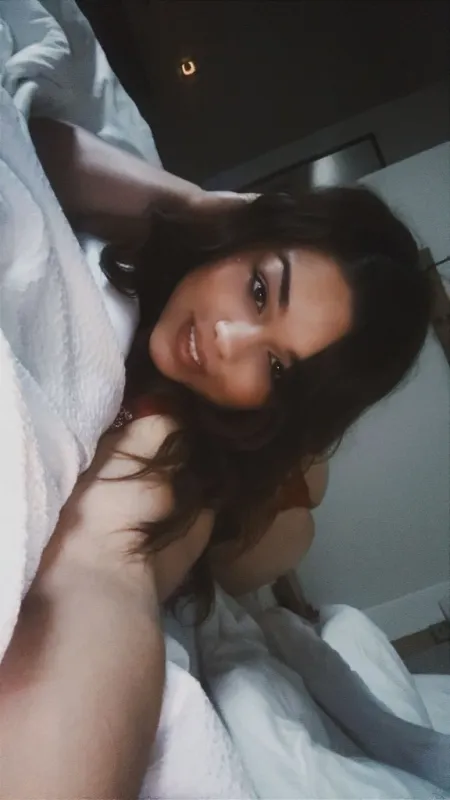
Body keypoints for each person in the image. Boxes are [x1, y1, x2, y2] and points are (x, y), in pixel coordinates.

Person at [0, 118, 432, 799]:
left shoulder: (177, 453)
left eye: (277, 367)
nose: (228, 339)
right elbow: (33, 144)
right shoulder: (165, 249)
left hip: (235, 497)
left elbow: (109, 571)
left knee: (286, 529)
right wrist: (200, 204)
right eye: (259, 290)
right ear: (244, 237)